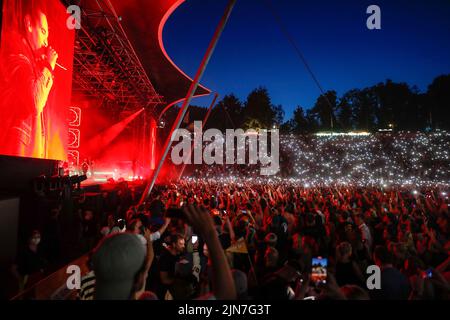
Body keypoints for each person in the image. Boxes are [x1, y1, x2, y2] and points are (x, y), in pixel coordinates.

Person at [0, 0, 58, 158]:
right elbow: (35, 101)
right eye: (43, 31)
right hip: (16, 155)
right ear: (28, 24)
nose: (46, 41)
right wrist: (48, 66)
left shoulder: (29, 61)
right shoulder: (17, 55)